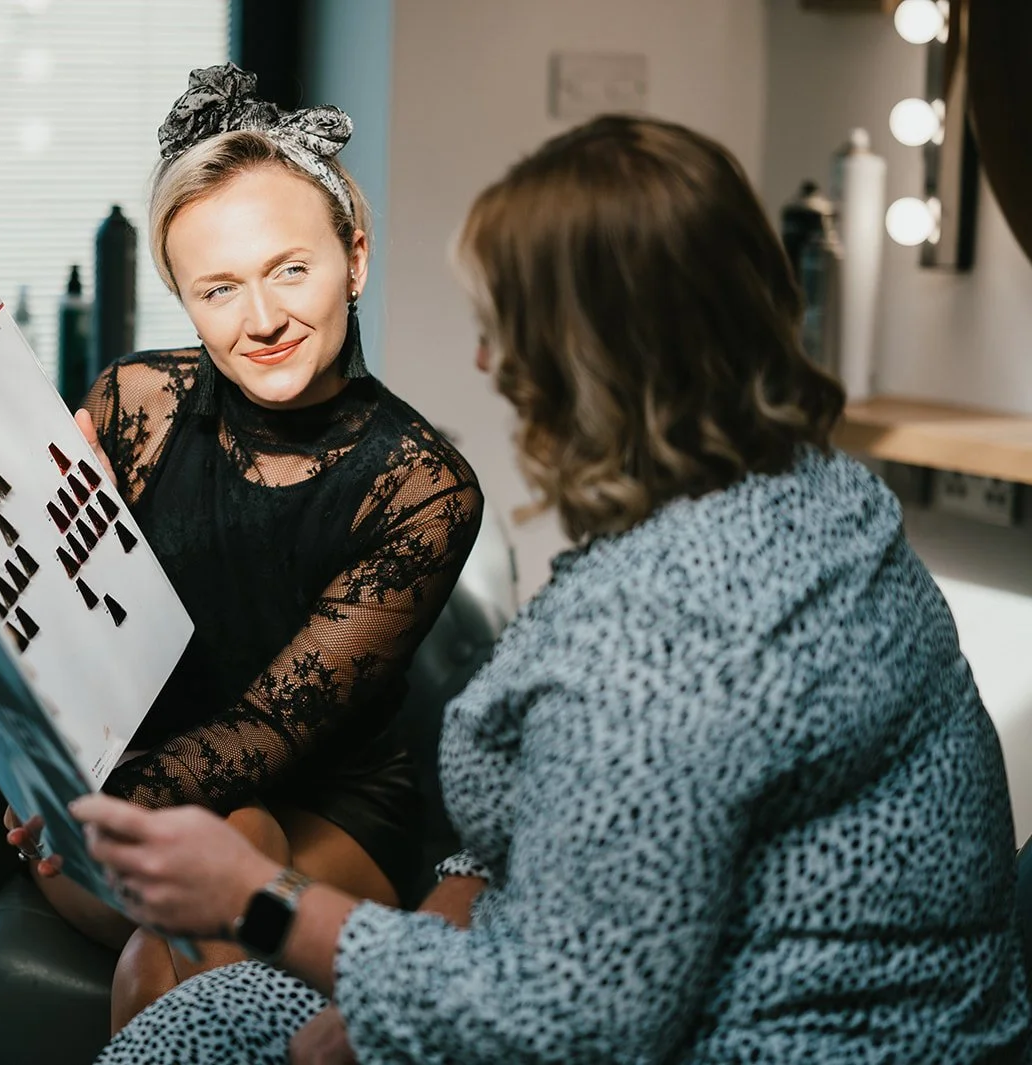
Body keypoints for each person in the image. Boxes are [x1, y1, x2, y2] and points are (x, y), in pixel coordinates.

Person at [73, 114, 1032, 1064]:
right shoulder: (811, 498)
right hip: (633, 982)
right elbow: (578, 831)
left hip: (773, 1040)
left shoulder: (670, 630)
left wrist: (258, 900)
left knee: (195, 1027)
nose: (489, 364)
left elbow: (571, 1021)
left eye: (505, 331)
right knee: (214, 1014)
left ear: (600, 360)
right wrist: (449, 904)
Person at [3, 63, 484, 1031]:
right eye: (217, 289)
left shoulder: (422, 486)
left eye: (289, 270)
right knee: (206, 888)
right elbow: (48, 631)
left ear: (355, 254)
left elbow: (267, 735)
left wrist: (98, 807)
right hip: (134, 786)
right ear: (181, 294)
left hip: (327, 811)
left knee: (196, 914)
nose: (260, 320)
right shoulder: (130, 404)